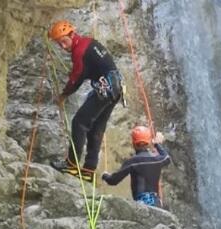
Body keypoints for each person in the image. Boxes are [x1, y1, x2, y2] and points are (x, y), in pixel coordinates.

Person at [48, 19, 123, 182]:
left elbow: (76, 78)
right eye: (59, 44)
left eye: (64, 41)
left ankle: (71, 164)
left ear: (72, 34)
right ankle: (88, 170)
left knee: (79, 123)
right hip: (115, 88)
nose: (63, 47)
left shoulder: (80, 51)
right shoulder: (89, 42)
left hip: (105, 88)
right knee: (96, 128)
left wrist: (63, 95)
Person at [101, 126, 171, 207]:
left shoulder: (132, 162)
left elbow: (113, 180)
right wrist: (156, 144)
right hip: (156, 202)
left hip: (141, 203)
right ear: (148, 142)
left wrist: (105, 176)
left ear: (134, 143)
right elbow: (167, 158)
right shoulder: (156, 160)